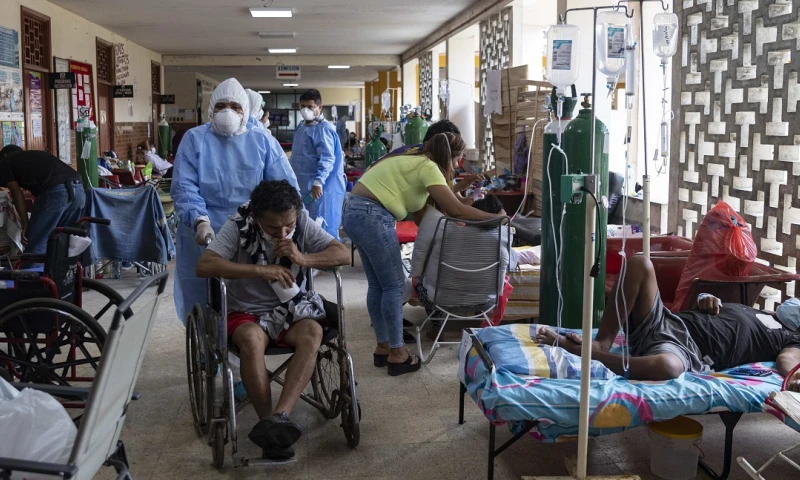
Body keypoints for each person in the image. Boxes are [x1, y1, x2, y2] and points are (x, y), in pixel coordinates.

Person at [196, 180, 350, 458]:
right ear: (256, 218)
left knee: (313, 333)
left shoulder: (300, 221)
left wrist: (303, 258)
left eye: (287, 226)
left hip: (291, 308)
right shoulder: (238, 226)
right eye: (272, 227)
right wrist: (258, 270)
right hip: (246, 311)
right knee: (252, 340)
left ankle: (278, 419)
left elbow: (342, 253)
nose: (282, 232)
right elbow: (205, 265)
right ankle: (266, 420)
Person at [342, 132, 504, 376]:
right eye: (458, 159)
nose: (458, 166)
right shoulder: (428, 167)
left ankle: (384, 346)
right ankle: (398, 353)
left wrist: (459, 192)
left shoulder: (413, 159)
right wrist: (500, 220)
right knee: (395, 286)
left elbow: (427, 217)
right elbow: (455, 209)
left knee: (379, 285)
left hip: (354, 211)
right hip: (373, 216)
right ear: (451, 157)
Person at [535, 255, 800, 391]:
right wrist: (707, 299)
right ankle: (602, 342)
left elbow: (789, 362)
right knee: (639, 263)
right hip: (666, 321)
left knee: (669, 367)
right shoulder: (759, 311)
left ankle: (591, 355)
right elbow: (711, 308)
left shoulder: (791, 340)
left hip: (685, 350)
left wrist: (795, 378)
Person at [171, 77, 299, 325]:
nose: (227, 111)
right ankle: (209, 345)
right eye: (220, 106)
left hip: (254, 229)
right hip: (205, 228)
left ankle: (248, 338)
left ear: (245, 110)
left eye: (235, 106)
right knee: (204, 293)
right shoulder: (195, 139)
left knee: (250, 293)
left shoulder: (262, 141)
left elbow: (284, 187)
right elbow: (184, 186)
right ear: (211, 109)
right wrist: (199, 220)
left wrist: (281, 226)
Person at [0, 145, 84, 254]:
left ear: (4, 155)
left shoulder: (5, 161)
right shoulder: (33, 156)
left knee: (34, 244)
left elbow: (17, 194)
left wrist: (25, 224)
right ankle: (60, 270)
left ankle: (31, 270)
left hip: (56, 191)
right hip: (79, 189)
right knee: (63, 242)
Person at [290, 89, 345, 239]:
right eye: (302, 106)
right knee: (303, 225)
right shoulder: (302, 126)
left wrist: (319, 181)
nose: (305, 110)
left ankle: (329, 260)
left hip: (318, 188)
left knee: (321, 225)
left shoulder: (323, 129)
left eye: (310, 107)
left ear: (319, 108)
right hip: (302, 185)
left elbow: (327, 158)